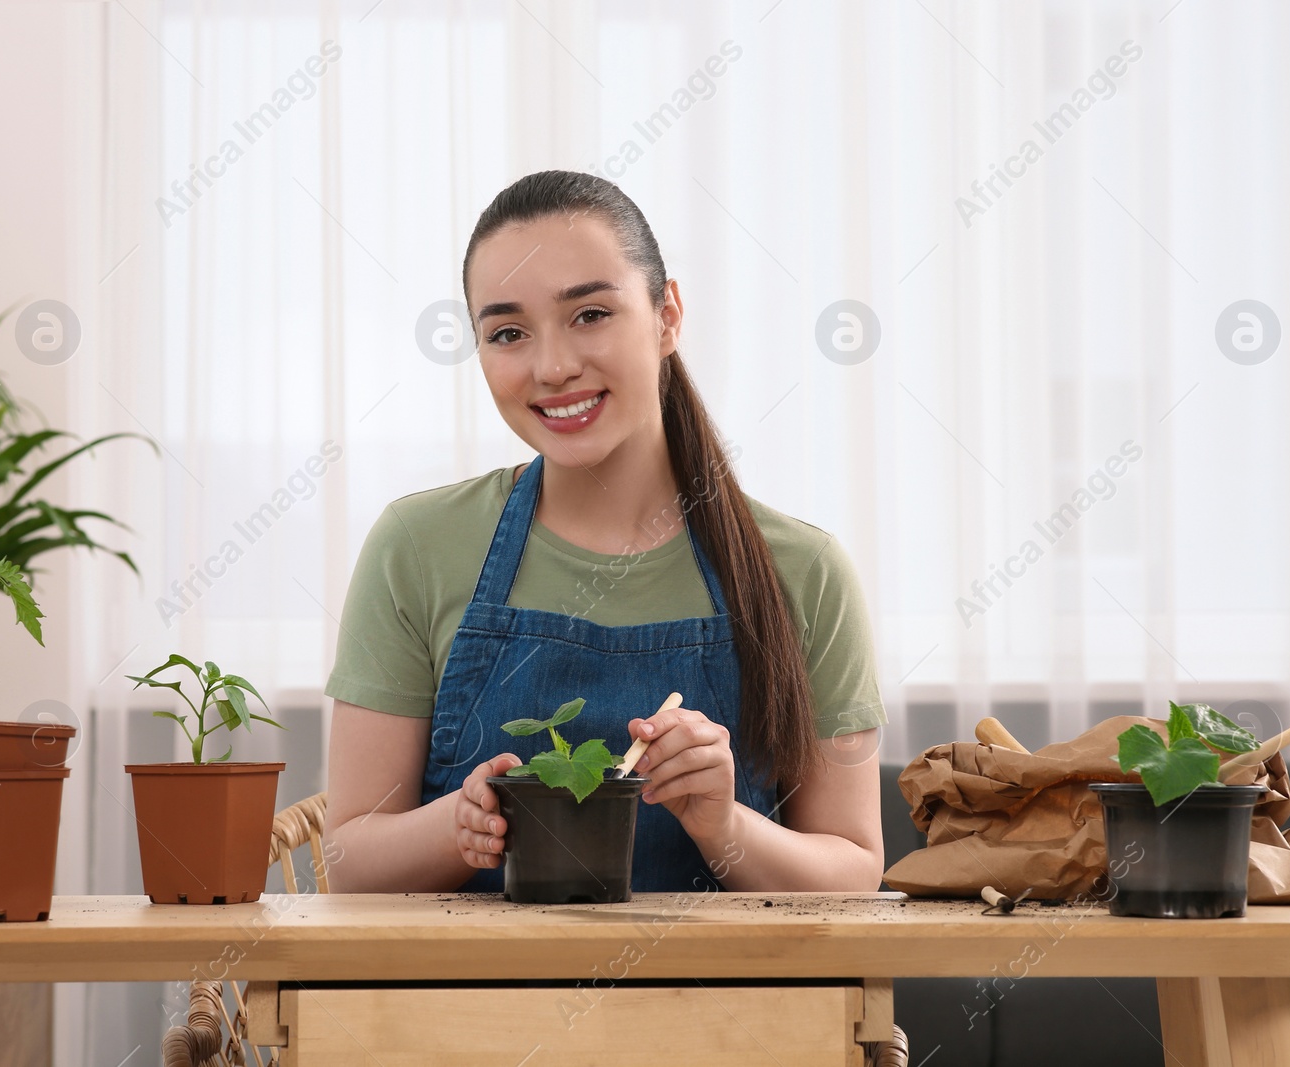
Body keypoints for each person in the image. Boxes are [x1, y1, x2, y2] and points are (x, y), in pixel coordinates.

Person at [324, 170, 886, 894]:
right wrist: (457, 828)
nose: (553, 366)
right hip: (466, 1007)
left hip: (727, 1006)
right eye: (507, 332)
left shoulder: (805, 571)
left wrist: (724, 825)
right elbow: (347, 861)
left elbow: (853, 870)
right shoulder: (417, 547)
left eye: (589, 314)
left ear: (667, 315)